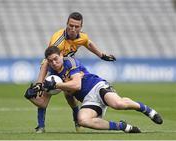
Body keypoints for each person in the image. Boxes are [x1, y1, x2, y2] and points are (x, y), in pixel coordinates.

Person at [25, 46, 163, 133]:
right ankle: (122, 126)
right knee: (82, 120)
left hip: (97, 87)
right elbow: (43, 103)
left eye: (56, 59)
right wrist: (30, 97)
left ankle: (146, 109)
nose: (54, 63)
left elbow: (77, 85)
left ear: (61, 55)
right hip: (87, 100)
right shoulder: (52, 76)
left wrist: (57, 85)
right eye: (50, 61)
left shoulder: (70, 62)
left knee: (118, 104)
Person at [33, 12, 116, 133]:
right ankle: (41, 126)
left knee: (70, 95)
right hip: (53, 66)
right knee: (45, 93)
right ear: (66, 24)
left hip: (68, 67)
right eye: (70, 25)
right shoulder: (58, 40)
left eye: (76, 26)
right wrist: (39, 82)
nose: (73, 29)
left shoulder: (82, 37)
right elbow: (47, 61)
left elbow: (88, 43)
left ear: (81, 27)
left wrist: (102, 55)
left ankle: (77, 118)